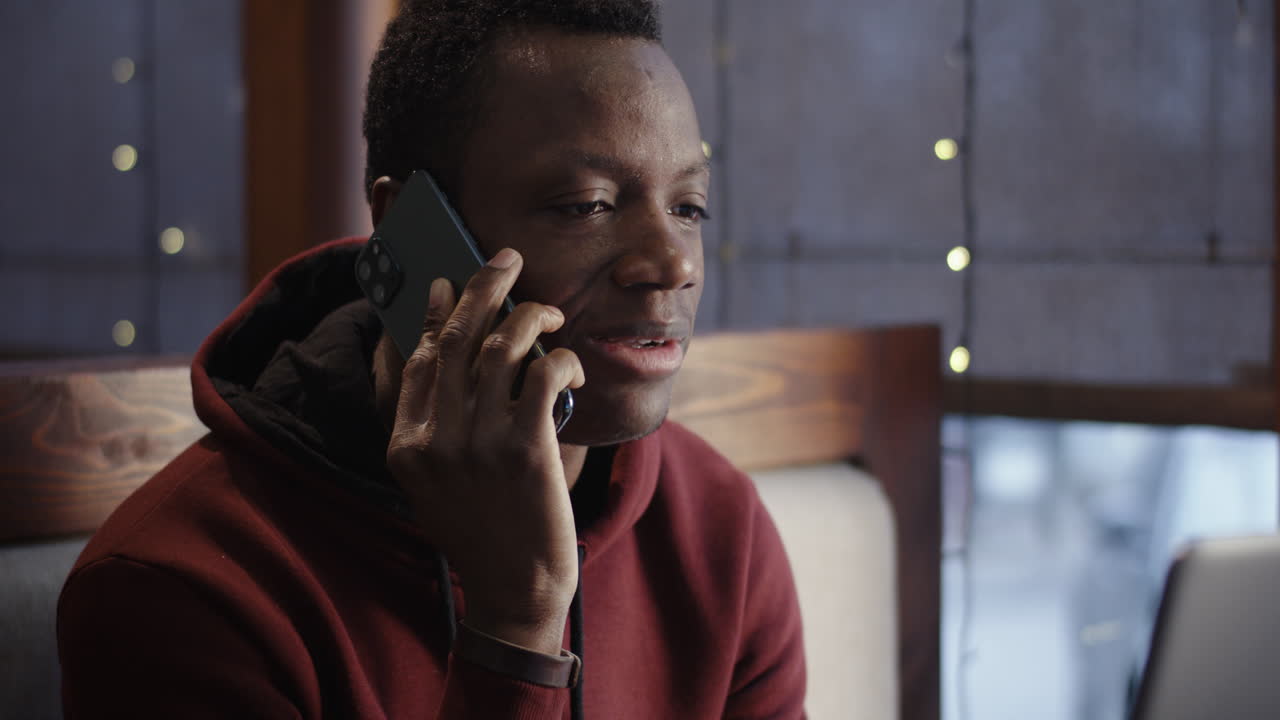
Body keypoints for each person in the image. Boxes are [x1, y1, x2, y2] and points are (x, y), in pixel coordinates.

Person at [57, 1, 806, 717]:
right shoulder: (181, 588)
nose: (671, 263)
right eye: (586, 204)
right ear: (407, 228)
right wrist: (517, 626)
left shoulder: (716, 527)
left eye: (689, 207)